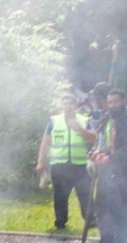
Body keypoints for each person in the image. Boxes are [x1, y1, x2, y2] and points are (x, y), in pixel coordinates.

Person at [90, 89, 127, 243]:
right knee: (104, 206)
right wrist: (97, 153)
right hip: (107, 170)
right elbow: (104, 142)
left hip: (126, 170)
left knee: (126, 207)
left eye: (116, 101)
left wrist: (110, 158)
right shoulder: (107, 120)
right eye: (110, 102)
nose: (112, 105)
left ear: (124, 101)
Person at [35, 92, 97, 229]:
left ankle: (90, 220)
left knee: (85, 194)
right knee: (60, 197)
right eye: (65, 104)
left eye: (71, 103)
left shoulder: (85, 120)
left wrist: (78, 128)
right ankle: (60, 222)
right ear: (61, 106)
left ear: (75, 105)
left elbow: (93, 138)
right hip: (59, 165)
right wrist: (40, 162)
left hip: (80, 165)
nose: (68, 106)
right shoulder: (53, 121)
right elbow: (45, 142)